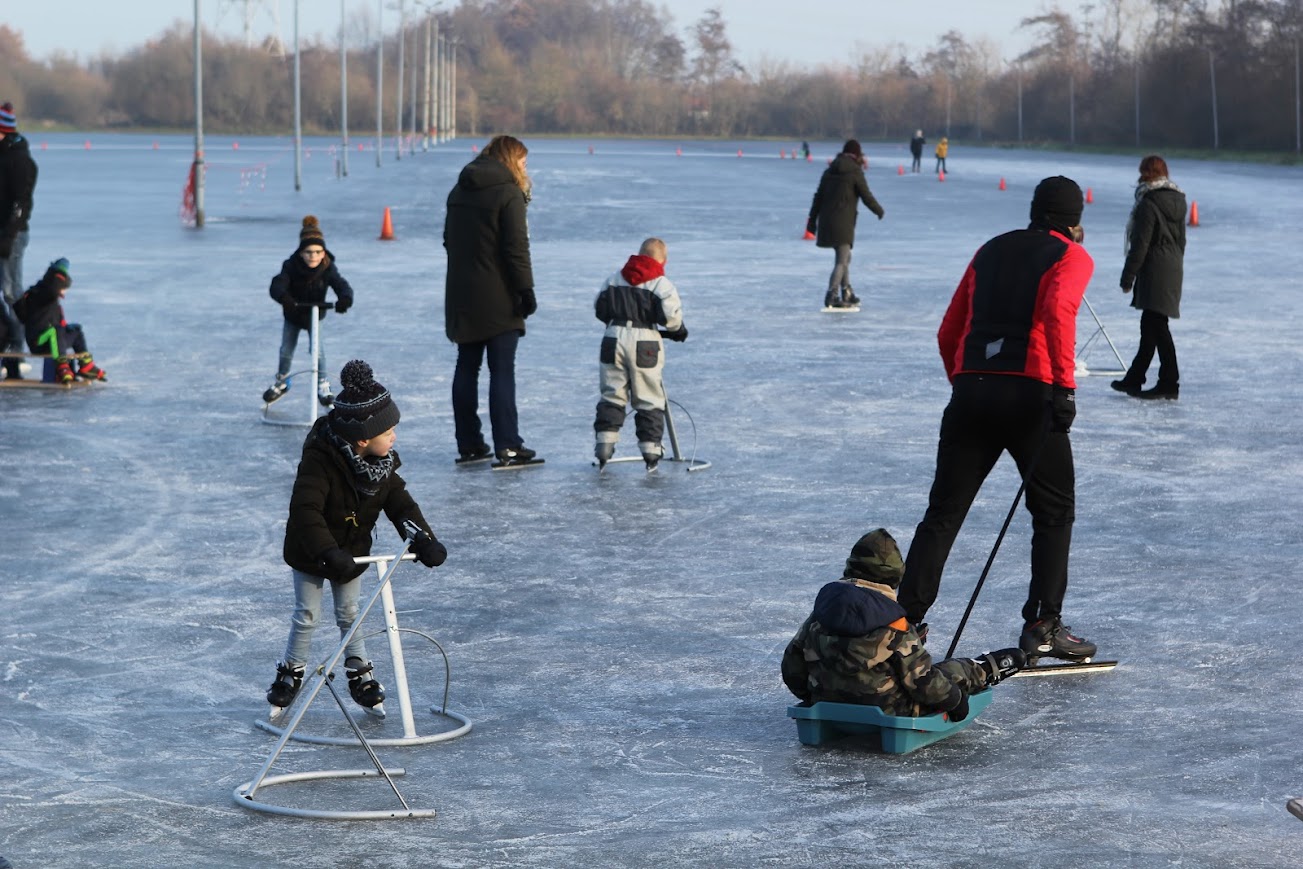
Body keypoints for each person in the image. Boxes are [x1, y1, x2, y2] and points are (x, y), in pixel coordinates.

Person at [897, 176, 1098, 663]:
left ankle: (904, 625)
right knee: (1053, 512)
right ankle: (1043, 625)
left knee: (943, 515)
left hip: (971, 390)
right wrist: (1063, 387)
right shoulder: (1071, 256)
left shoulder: (988, 250)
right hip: (1031, 394)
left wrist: (965, 384)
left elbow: (949, 332)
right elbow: (1057, 310)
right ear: (1072, 221)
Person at [266, 360, 448, 715]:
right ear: (364, 438)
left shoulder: (381, 466)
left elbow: (400, 503)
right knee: (307, 614)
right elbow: (306, 513)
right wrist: (327, 551)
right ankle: (292, 671)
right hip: (311, 550)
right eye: (388, 432)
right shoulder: (320, 461)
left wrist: (424, 539)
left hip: (351, 551)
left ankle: (359, 672)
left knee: (351, 612)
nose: (394, 436)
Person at [781, 529, 1026, 719]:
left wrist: (813, 695)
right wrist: (954, 701)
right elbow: (924, 682)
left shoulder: (821, 613)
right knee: (947, 671)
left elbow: (792, 666)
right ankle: (982, 669)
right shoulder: (895, 623)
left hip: (826, 702)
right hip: (891, 710)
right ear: (895, 577)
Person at [444, 134, 539, 466]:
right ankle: (508, 445)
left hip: (461, 293)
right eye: (524, 162)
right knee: (502, 371)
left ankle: (469, 443)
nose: (527, 169)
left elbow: (447, 240)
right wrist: (525, 291)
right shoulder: (508, 194)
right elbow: (516, 249)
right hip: (499, 295)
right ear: (511, 160)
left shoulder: (458, 191)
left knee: (466, 367)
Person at [592, 237, 688, 470]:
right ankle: (651, 449)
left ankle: (604, 446)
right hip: (645, 341)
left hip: (612, 339)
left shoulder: (615, 278)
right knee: (648, 396)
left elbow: (599, 308)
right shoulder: (661, 284)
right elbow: (671, 316)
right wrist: (677, 330)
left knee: (612, 393)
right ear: (662, 260)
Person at [1112, 155, 1186, 401]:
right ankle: (1134, 378)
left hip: (1155, 268)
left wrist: (1128, 277)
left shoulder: (1148, 202)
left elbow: (1140, 244)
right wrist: (1174, 265)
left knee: (1157, 327)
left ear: (1146, 173)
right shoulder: (1178, 198)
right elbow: (1181, 240)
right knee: (1151, 326)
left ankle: (1169, 382)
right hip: (1172, 265)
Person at [263, 215, 354, 407]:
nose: (313, 256)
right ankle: (282, 381)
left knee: (318, 351)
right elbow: (277, 285)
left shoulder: (328, 268)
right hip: (294, 314)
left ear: (323, 253)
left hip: (315, 314)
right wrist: (284, 298)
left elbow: (341, 285)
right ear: (301, 253)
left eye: (317, 252)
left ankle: (323, 384)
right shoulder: (290, 266)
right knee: (286, 350)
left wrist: (344, 299)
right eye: (308, 252)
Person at [805, 139, 884, 309]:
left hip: (827, 222)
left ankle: (847, 291)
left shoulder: (829, 171)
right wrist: (879, 210)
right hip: (843, 223)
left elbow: (817, 198)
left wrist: (812, 222)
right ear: (857, 154)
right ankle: (832, 294)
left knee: (845, 257)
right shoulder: (855, 172)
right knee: (842, 260)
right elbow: (866, 195)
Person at [12, 258, 106, 382]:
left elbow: (60, 322)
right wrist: (57, 273)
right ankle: (62, 367)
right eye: (62, 289)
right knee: (55, 331)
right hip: (38, 341)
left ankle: (86, 366)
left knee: (76, 331)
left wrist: (66, 328)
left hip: (54, 339)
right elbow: (52, 291)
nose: (63, 293)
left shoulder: (53, 302)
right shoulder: (39, 293)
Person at [0, 101, 38, 381]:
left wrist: (9, 235)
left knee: (11, 292)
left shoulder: (20, 161)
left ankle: (16, 347)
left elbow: (21, 203)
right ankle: (7, 343)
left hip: (11, 235)